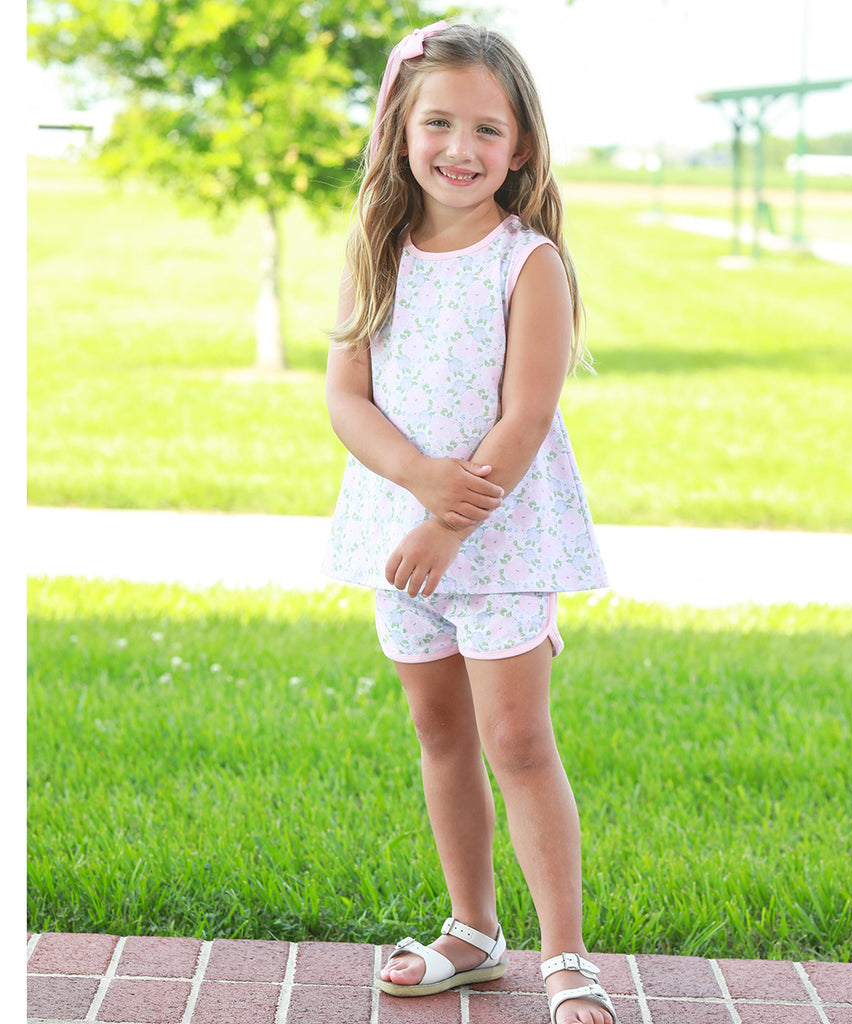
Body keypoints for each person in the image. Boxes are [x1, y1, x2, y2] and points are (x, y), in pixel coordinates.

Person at [321, 21, 616, 1024]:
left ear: (520, 144)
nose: (460, 147)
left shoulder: (529, 263)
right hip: (399, 544)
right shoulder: (375, 252)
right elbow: (347, 398)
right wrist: (416, 486)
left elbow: (526, 415)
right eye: (437, 122)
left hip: (501, 545)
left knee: (518, 740)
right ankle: (474, 931)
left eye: (486, 128)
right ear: (399, 131)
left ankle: (564, 954)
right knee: (440, 732)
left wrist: (450, 523)